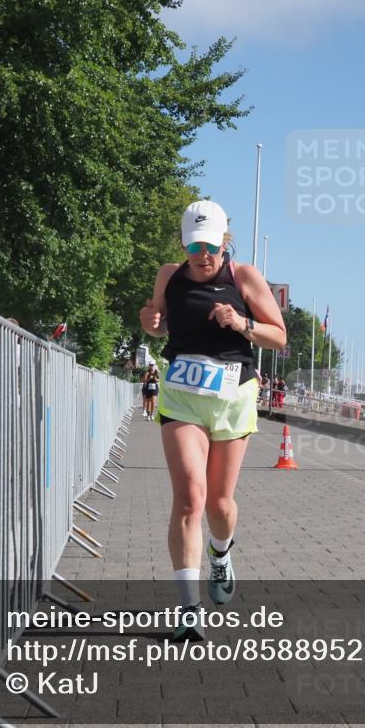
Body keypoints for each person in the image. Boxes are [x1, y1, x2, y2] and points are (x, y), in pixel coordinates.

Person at [139, 200, 287, 642]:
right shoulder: (170, 274)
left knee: (219, 505)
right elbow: (160, 324)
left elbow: (278, 336)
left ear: (225, 241)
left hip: (233, 396)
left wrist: (241, 323)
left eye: (211, 246)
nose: (202, 255)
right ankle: (188, 610)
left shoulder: (244, 277)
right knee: (189, 498)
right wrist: (150, 323)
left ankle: (221, 553)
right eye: (193, 246)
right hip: (182, 396)